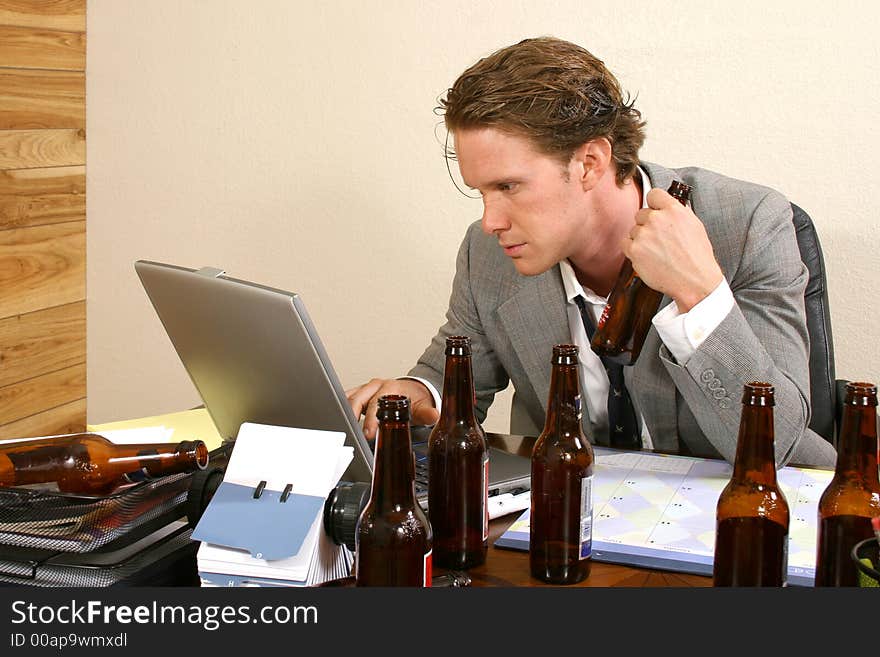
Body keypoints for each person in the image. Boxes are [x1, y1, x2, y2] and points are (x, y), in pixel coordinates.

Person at [346, 36, 836, 468]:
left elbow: (782, 450)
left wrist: (699, 294)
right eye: (481, 192)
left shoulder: (748, 225)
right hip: (562, 526)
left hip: (722, 533)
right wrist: (416, 394)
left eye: (509, 186)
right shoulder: (487, 253)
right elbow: (451, 378)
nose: (491, 220)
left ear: (590, 163)